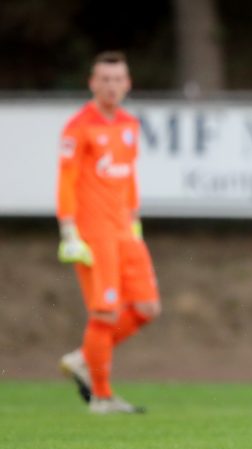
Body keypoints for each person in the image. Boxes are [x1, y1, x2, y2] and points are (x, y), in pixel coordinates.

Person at [57, 51, 161, 414]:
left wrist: (134, 221)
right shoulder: (78, 126)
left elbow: (128, 176)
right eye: (104, 79)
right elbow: (66, 180)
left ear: (128, 84)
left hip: (125, 229)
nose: (111, 86)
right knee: (105, 313)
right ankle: (100, 397)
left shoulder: (129, 124)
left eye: (118, 79)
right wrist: (69, 231)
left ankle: (84, 357)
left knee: (147, 307)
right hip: (93, 232)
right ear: (92, 83)